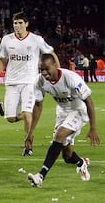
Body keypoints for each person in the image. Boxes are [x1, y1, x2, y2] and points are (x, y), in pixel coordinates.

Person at [0, 11, 60, 156]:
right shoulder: (6, 40)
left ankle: (28, 146)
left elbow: (51, 52)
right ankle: (10, 112)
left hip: (30, 82)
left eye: (20, 23)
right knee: (10, 118)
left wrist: (58, 71)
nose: (17, 26)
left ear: (26, 24)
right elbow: (2, 60)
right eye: (15, 23)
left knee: (28, 113)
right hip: (11, 82)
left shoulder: (36, 40)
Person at [26, 54, 101, 188]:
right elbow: (38, 105)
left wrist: (93, 127)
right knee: (67, 156)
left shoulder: (70, 78)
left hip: (79, 110)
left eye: (47, 69)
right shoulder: (39, 81)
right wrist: (30, 132)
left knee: (59, 135)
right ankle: (81, 163)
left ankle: (40, 176)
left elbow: (89, 101)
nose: (44, 72)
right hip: (62, 112)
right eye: (41, 69)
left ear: (55, 65)